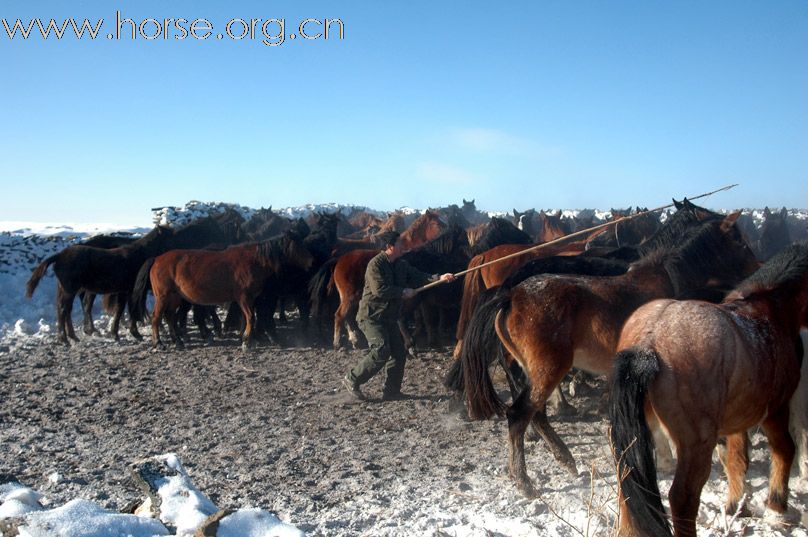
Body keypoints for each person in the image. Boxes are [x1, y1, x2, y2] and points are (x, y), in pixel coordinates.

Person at [342, 230, 455, 401]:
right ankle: (352, 379)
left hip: (389, 317)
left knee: (399, 353)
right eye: (400, 243)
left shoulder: (401, 264)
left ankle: (391, 391)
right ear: (389, 247)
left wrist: (440, 277)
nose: (404, 246)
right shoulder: (376, 265)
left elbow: (419, 277)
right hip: (371, 316)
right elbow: (379, 290)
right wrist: (402, 292)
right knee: (381, 350)